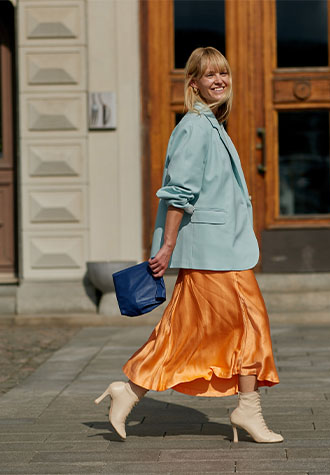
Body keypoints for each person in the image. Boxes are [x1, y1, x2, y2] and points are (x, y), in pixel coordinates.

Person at [95, 47, 283, 444]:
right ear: (193, 83)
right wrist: (167, 247)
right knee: (247, 323)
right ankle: (245, 410)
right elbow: (178, 193)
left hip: (220, 250)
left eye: (224, 73)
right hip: (213, 252)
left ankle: (129, 391)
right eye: (209, 74)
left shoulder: (210, 124)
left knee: (188, 330)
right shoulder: (195, 127)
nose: (219, 80)